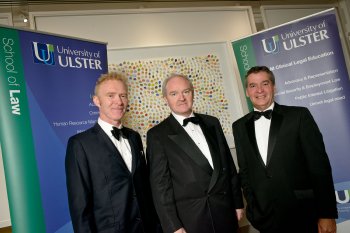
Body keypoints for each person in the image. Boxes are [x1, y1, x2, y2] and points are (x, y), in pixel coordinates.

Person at [232, 66, 338, 233]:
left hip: (303, 213)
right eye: (253, 85)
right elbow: (245, 171)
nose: (259, 90)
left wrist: (327, 214)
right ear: (247, 91)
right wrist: (253, 208)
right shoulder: (239, 127)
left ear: (274, 87)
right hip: (265, 218)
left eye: (265, 83)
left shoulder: (299, 116)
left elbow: (319, 167)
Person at [146, 73, 244, 233]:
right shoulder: (157, 135)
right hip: (191, 220)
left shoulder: (213, 122)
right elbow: (160, 187)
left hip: (225, 211)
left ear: (193, 93)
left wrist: (238, 203)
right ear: (165, 99)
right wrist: (173, 226)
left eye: (186, 91)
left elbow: (228, 166)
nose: (181, 98)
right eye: (174, 93)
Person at [65, 73, 161, 233]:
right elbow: (79, 206)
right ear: (96, 101)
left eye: (123, 95)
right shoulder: (79, 144)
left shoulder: (134, 137)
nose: (119, 101)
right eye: (111, 95)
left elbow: (143, 189)